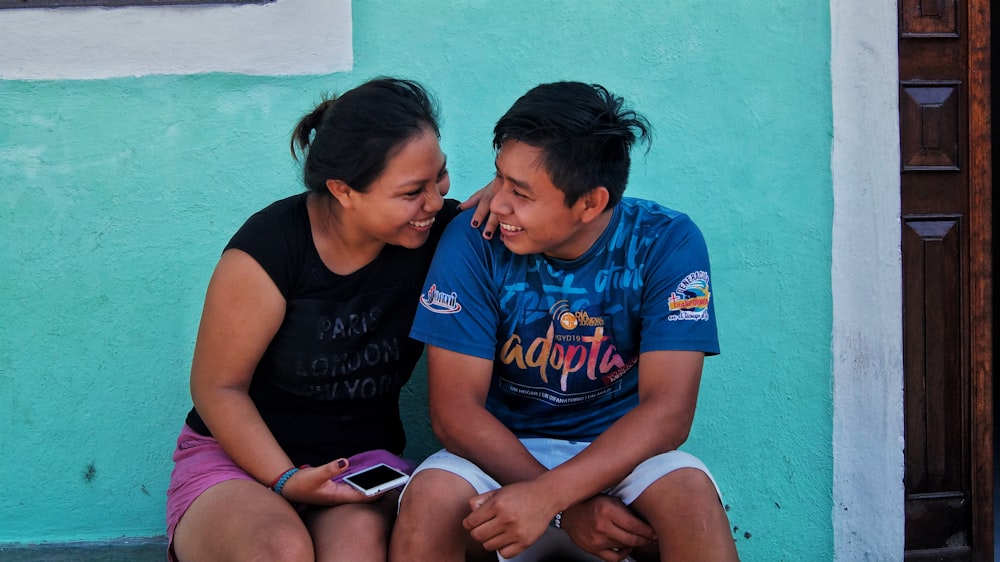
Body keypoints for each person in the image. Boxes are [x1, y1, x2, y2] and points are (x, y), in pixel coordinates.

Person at [390, 81, 739, 562]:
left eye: (521, 192)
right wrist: (561, 507)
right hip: (500, 451)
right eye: (500, 180)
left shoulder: (666, 242)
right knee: (430, 504)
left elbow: (668, 412)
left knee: (691, 502)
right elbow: (455, 413)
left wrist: (554, 496)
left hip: (619, 452)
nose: (499, 204)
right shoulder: (474, 240)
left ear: (591, 203)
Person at [165, 77, 494, 562]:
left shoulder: (441, 236)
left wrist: (506, 195)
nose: (433, 202)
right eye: (410, 192)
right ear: (343, 190)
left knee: (355, 552)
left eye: (439, 178)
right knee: (280, 551)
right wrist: (285, 479)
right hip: (235, 462)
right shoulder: (271, 248)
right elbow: (218, 387)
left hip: (354, 465)